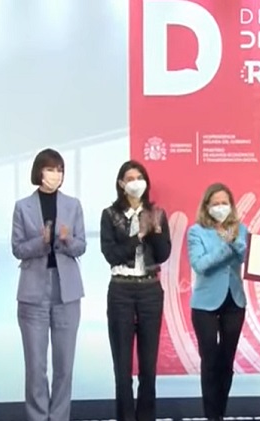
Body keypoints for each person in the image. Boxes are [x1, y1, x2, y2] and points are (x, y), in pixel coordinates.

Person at [11, 148, 86, 421]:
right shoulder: (23, 206)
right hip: (33, 291)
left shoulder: (73, 205)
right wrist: (41, 241)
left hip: (67, 291)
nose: (56, 174)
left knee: (64, 365)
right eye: (51, 169)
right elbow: (18, 249)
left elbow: (81, 246)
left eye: (60, 170)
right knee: (36, 366)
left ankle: (59, 417)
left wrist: (66, 239)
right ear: (39, 172)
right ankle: (37, 417)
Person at [100, 160, 171, 421]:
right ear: (121, 184)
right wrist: (138, 236)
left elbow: (163, 254)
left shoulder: (157, 213)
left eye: (139, 177)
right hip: (121, 290)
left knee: (148, 367)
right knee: (122, 368)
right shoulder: (110, 215)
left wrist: (155, 232)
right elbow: (111, 255)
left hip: (150, 289)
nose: (136, 182)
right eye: (130, 178)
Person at [186, 183, 248, 421]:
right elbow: (200, 264)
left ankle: (219, 413)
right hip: (205, 305)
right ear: (207, 206)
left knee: (227, 361)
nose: (220, 207)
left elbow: (246, 256)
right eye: (216, 204)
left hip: (235, 301)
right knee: (210, 361)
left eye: (224, 203)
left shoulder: (240, 229)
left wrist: (235, 243)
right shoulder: (196, 232)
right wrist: (227, 246)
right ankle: (212, 416)